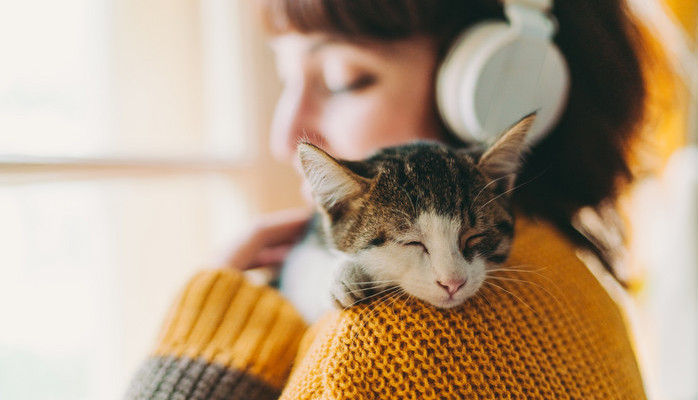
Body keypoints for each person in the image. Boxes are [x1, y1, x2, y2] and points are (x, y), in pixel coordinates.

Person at [125, 0, 660, 398]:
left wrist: (201, 357)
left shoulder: (388, 342)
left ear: (499, 88)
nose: (285, 135)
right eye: (284, 76)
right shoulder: (561, 270)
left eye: (345, 79)